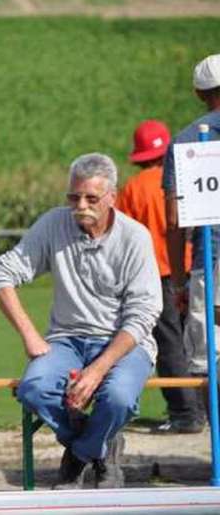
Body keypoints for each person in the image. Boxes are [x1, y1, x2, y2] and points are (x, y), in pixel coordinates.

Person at [0, 153, 162, 489]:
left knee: (119, 398)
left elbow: (143, 315)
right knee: (34, 389)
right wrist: (30, 334)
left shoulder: (135, 238)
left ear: (112, 196)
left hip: (125, 344)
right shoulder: (54, 224)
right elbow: (1, 272)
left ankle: (79, 456)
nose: (80, 205)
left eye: (91, 198)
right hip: (66, 340)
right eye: (73, 196)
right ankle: (98, 445)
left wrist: (96, 371)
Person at [115, 120, 203, 434]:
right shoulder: (183, 179)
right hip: (192, 269)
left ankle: (185, 413)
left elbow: (119, 235)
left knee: (169, 345)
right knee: (198, 343)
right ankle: (204, 410)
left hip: (154, 276)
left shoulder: (131, 189)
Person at [162, 53, 220, 414]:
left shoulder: (185, 140)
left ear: (200, 94)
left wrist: (179, 283)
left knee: (208, 363)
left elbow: (173, 220)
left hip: (209, 263)